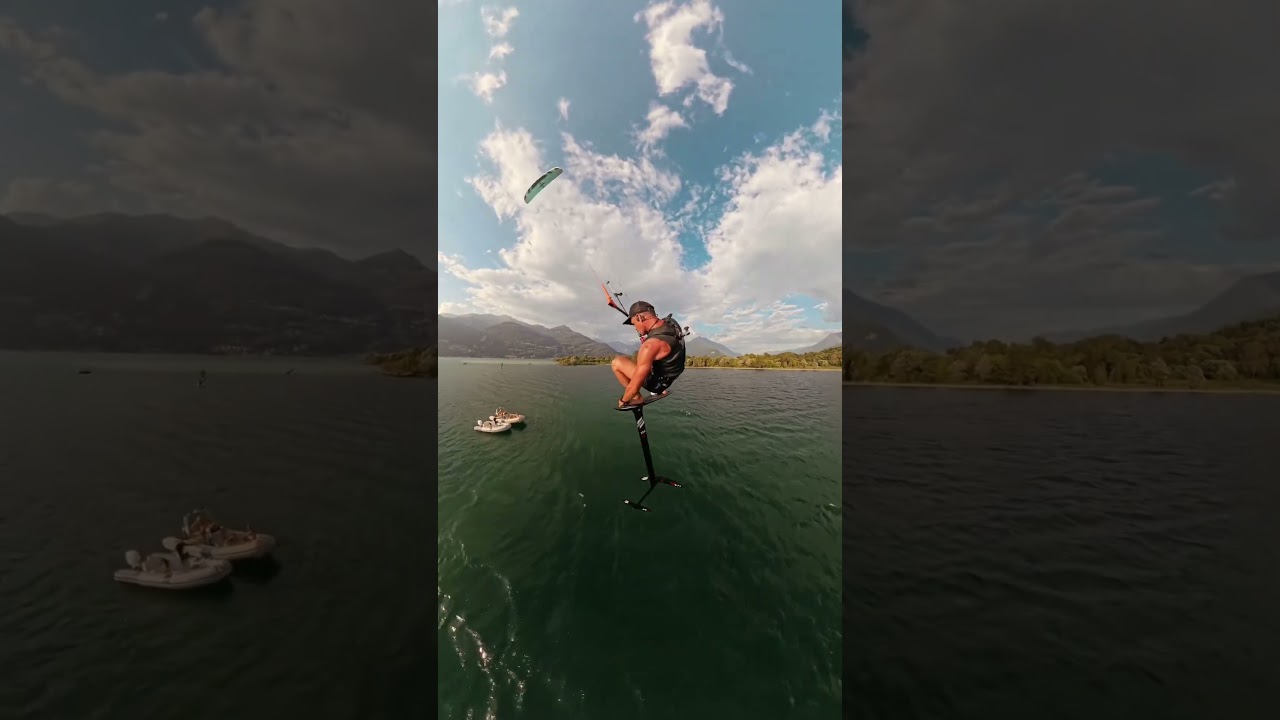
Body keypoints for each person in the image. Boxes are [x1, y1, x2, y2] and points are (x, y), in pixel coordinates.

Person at [611, 301, 686, 407]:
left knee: (617, 362)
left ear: (639, 317)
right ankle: (659, 388)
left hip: (657, 384)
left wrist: (624, 401)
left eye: (634, 324)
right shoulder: (672, 323)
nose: (635, 328)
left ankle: (637, 398)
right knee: (637, 360)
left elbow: (633, 388)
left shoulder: (650, 346)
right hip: (671, 375)